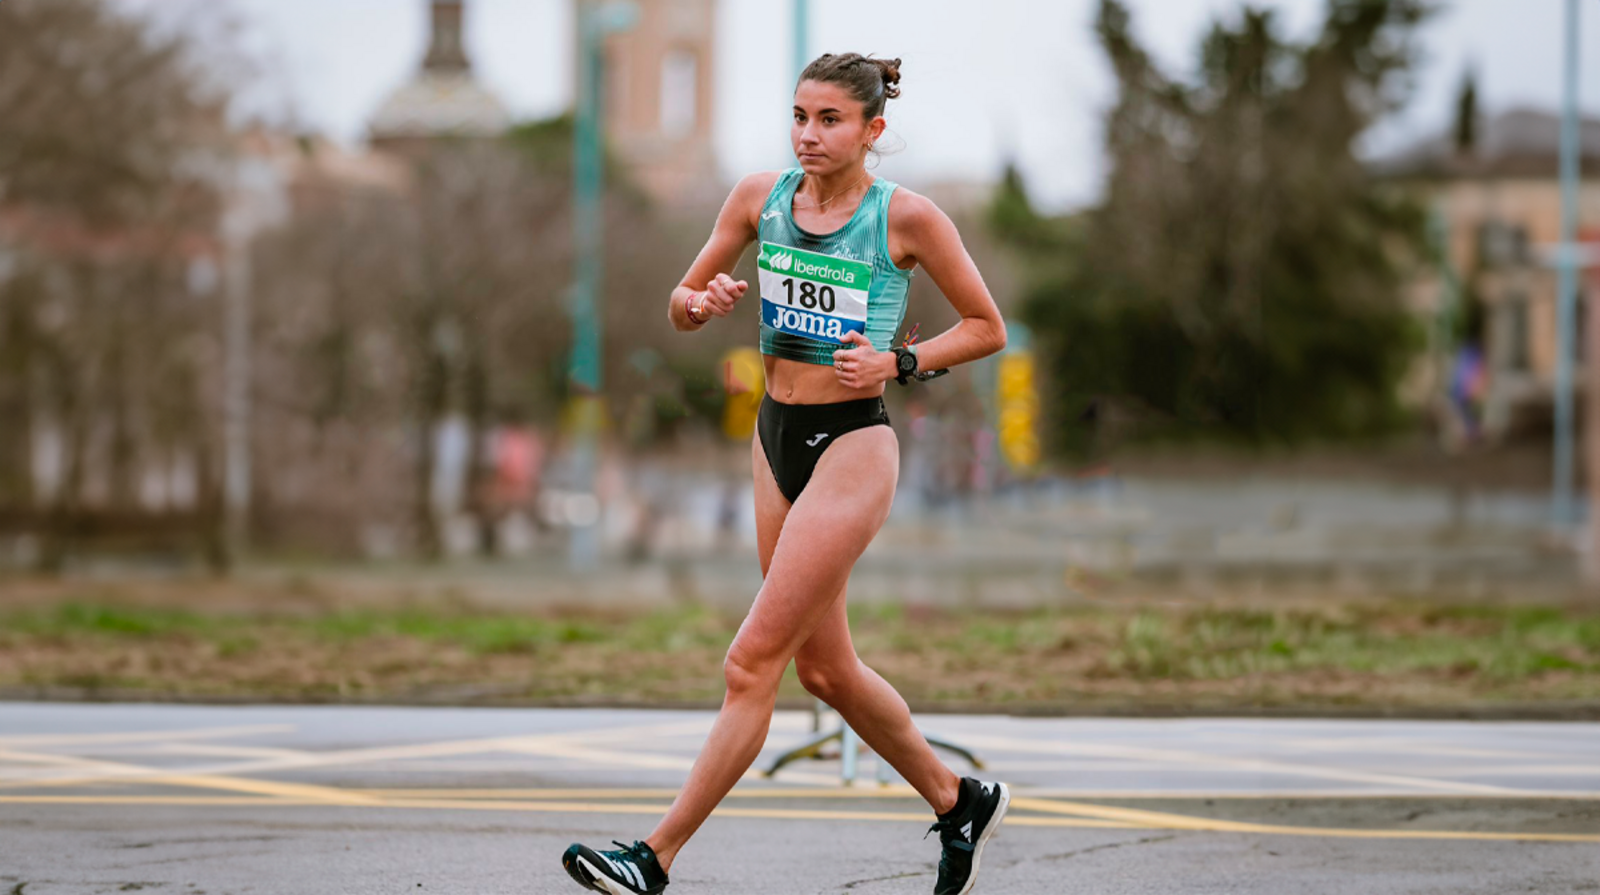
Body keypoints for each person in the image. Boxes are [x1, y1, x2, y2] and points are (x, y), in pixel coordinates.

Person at [562, 52, 1010, 895]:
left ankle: (651, 859)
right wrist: (700, 305)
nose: (808, 134)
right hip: (776, 439)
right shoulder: (757, 199)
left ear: (872, 131)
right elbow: (680, 301)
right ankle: (960, 800)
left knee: (750, 661)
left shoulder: (905, 218)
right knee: (825, 671)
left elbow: (988, 327)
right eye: (799, 116)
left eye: (830, 120)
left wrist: (898, 361)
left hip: (853, 446)